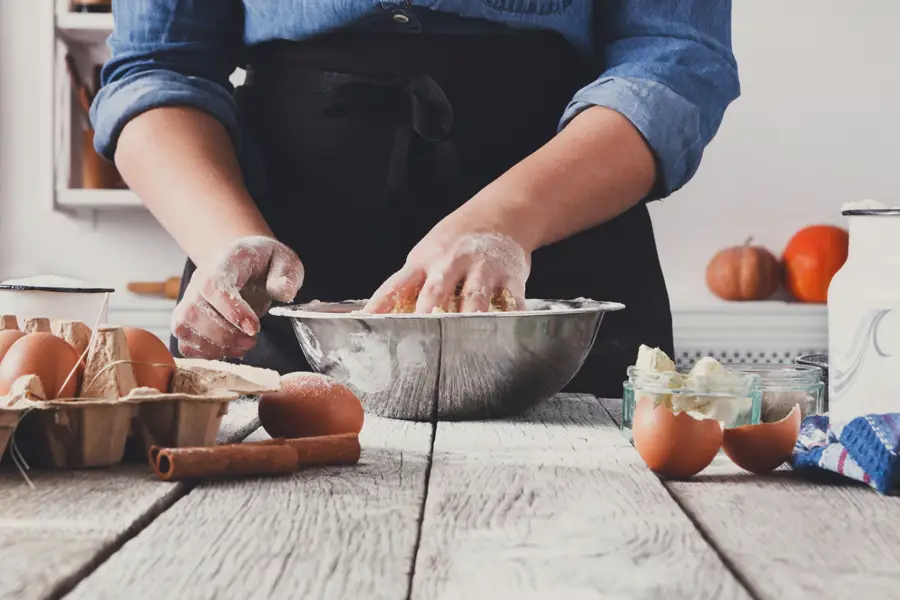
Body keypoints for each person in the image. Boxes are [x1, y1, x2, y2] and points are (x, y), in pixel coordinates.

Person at [91, 1, 739, 399]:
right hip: (284, 246)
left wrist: (506, 220)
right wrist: (228, 242)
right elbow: (157, 66)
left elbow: (675, 60)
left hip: (560, 234)